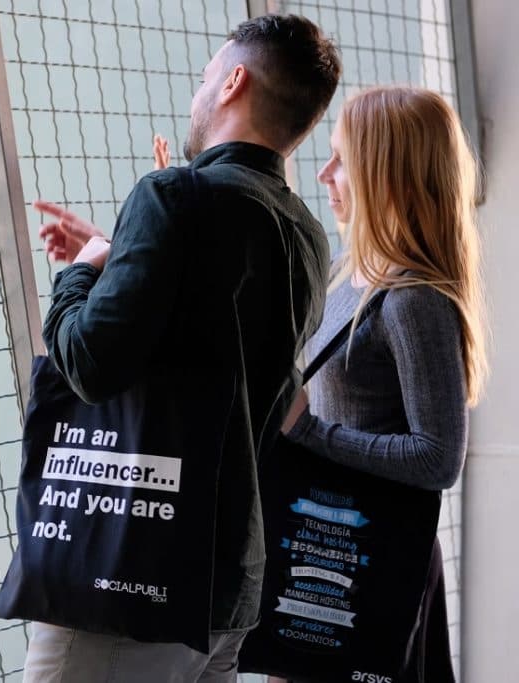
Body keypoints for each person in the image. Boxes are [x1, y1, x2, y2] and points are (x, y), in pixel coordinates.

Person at [22, 14, 341, 682]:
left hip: (133, 579)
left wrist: (81, 269)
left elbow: (86, 361)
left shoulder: (173, 195)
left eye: (204, 77)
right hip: (230, 587)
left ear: (232, 83)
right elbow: (212, 341)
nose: (196, 94)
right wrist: (123, 255)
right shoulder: (307, 234)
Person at [271, 86, 486, 683]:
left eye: (342, 159)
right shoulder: (350, 275)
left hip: (373, 572)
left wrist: (310, 432)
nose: (324, 173)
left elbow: (440, 457)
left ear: (385, 175)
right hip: (328, 554)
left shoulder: (414, 299)